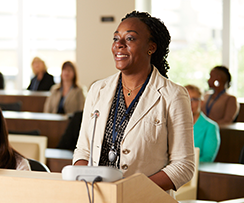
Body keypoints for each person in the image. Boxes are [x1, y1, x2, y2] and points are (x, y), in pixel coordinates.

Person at [73, 11, 195, 193]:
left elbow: (183, 165)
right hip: (98, 196)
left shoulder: (173, 95)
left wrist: (133, 189)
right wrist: (84, 182)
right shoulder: (97, 90)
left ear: (151, 47)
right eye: (115, 38)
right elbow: (83, 150)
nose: (119, 45)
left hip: (144, 197)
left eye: (130, 38)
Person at [185, 84, 220, 162]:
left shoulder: (211, 127)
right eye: (186, 98)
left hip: (197, 171)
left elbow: (207, 159)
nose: (190, 103)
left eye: (194, 99)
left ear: (202, 102)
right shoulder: (172, 124)